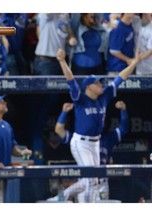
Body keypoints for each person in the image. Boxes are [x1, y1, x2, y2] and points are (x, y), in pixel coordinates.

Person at [56, 48, 140, 202]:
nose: (100, 85)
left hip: (95, 142)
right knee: (91, 179)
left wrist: (134, 64)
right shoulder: (80, 98)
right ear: (89, 87)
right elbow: (70, 79)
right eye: (97, 84)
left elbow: (120, 78)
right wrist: (62, 61)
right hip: (81, 142)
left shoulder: (104, 96)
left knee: (94, 180)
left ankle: (61, 198)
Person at [47, 100, 129, 202]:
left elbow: (124, 128)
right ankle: (58, 199)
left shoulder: (108, 138)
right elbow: (59, 130)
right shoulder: (79, 140)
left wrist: (123, 110)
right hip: (84, 181)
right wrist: (64, 112)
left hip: (101, 183)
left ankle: (58, 199)